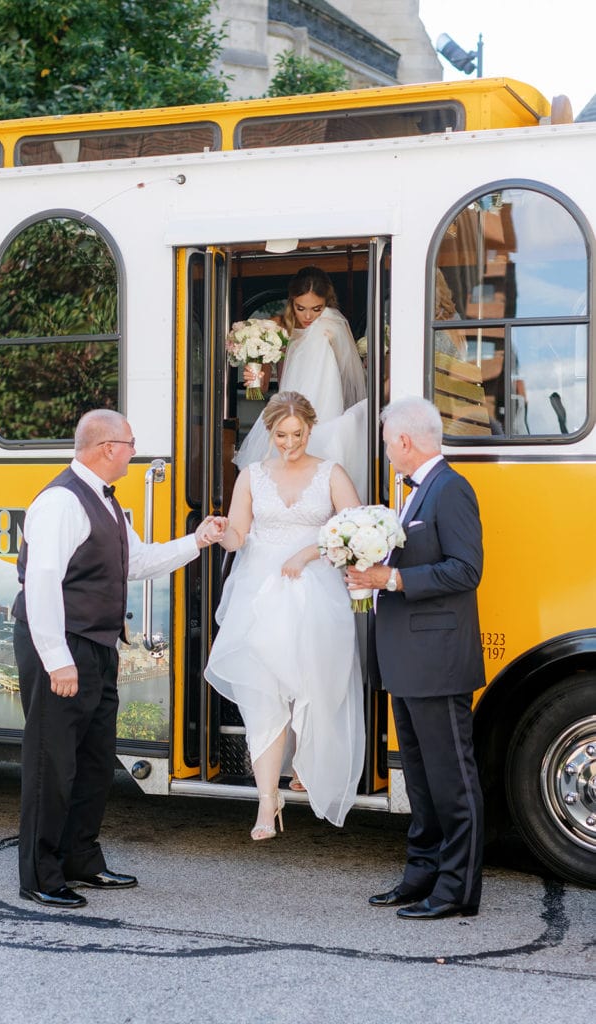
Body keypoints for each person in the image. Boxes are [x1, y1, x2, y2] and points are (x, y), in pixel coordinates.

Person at [12, 408, 225, 909]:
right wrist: (57, 660)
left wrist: (198, 541)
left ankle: (81, 859)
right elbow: (41, 583)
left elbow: (140, 561)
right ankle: (40, 875)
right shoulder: (62, 502)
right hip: (63, 646)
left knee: (93, 760)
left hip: (99, 645)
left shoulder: (107, 504)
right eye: (131, 443)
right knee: (52, 764)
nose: (136, 451)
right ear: (107, 448)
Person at [346, 397, 485, 920]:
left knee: (452, 782)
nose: (385, 452)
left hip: (438, 659)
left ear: (403, 441)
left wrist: (394, 578)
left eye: (386, 442)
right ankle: (420, 875)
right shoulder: (413, 492)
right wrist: (369, 571)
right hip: (407, 659)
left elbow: (465, 570)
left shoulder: (451, 489)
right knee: (421, 782)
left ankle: (456, 892)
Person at [205, 391, 365, 839]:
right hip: (259, 593)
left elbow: (355, 529)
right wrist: (223, 535)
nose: (290, 443)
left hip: (315, 588)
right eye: (281, 435)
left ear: (311, 430)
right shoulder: (252, 476)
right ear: (269, 432)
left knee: (314, 686)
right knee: (264, 696)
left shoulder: (330, 473)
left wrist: (311, 551)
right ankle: (266, 802)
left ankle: (307, 766)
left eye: (298, 434)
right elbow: (239, 533)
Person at [234, 266, 367, 498]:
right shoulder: (277, 328)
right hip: (283, 410)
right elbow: (262, 388)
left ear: (327, 303)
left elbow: (348, 378)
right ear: (291, 302)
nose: (308, 317)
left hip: (324, 409)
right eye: (300, 308)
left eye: (316, 309)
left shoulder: (332, 327)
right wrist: (256, 376)